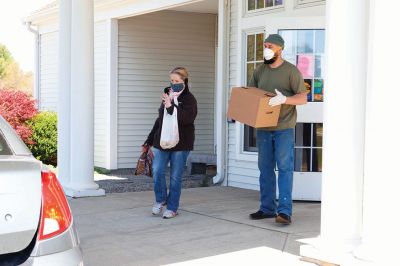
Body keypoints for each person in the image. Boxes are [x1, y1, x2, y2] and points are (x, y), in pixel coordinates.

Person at [248, 34, 308, 225]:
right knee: (265, 169)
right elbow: (252, 95)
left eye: (270, 46)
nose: (266, 49)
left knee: (284, 169)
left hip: (284, 127)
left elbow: (303, 98)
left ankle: (284, 212)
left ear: (280, 49)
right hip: (264, 127)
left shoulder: (291, 71)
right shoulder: (260, 71)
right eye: (265, 45)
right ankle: (266, 209)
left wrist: (285, 99)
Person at [143, 67, 197, 219]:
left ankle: (172, 208)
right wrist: (149, 139)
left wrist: (171, 107)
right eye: (172, 80)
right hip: (162, 141)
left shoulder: (189, 99)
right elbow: (160, 119)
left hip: (181, 144)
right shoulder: (168, 94)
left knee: (175, 177)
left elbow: (187, 119)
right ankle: (160, 200)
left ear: (184, 81)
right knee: (157, 170)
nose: (174, 83)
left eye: (177, 81)